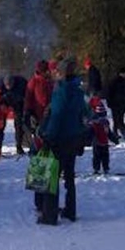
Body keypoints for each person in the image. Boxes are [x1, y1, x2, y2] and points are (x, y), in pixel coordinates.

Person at [37, 59, 88, 225]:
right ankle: (70, 210)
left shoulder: (60, 91)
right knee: (70, 176)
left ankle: (49, 215)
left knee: (52, 176)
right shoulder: (78, 90)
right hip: (74, 138)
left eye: (56, 71)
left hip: (59, 139)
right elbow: (86, 112)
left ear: (61, 73)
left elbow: (57, 116)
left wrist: (47, 135)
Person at [23, 60, 53, 153]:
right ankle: (36, 152)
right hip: (37, 114)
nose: (48, 72)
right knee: (38, 136)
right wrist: (28, 111)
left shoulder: (49, 82)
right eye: (46, 70)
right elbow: (28, 97)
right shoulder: (34, 81)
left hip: (49, 113)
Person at [87, 96, 118, 175]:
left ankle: (105, 168)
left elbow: (109, 133)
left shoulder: (105, 123)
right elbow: (91, 133)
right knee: (97, 157)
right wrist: (88, 140)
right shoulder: (94, 124)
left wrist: (114, 139)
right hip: (97, 143)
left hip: (104, 142)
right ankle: (97, 169)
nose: (102, 118)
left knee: (105, 157)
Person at [106, 68, 125, 139]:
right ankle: (116, 132)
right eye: (123, 73)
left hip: (123, 103)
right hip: (115, 103)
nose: (124, 75)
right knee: (116, 118)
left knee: (120, 118)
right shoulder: (115, 82)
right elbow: (109, 92)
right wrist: (109, 102)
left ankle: (122, 131)